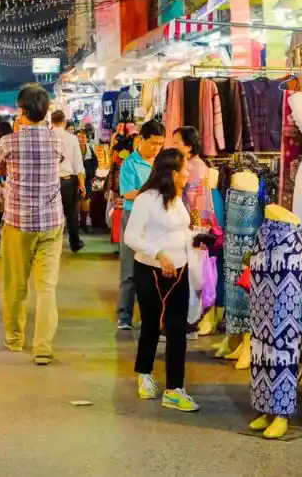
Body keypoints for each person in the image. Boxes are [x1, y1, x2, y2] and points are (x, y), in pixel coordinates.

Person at [123, 148, 202, 412]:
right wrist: (158, 254)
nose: (188, 171)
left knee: (177, 329)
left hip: (179, 271)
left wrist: (196, 241)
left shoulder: (177, 198)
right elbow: (131, 237)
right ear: (172, 172)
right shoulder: (147, 199)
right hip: (151, 272)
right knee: (151, 325)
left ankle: (174, 389)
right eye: (184, 168)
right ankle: (144, 374)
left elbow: (180, 231)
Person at [0, 84, 64, 365]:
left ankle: (15, 339)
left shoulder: (8, 143)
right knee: (46, 287)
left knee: (16, 284)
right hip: (51, 222)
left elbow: (0, 168)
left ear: (22, 111)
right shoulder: (57, 141)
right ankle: (43, 347)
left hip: (18, 221)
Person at [116, 119, 165, 330]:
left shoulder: (162, 161)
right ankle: (124, 316)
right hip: (133, 217)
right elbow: (127, 193)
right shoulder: (130, 163)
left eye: (160, 143)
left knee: (152, 268)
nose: (156, 148)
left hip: (157, 219)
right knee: (129, 269)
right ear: (141, 140)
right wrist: (153, 190)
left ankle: (150, 315)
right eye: (153, 143)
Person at [51, 110, 86, 252]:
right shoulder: (71, 139)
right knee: (71, 213)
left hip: (50, 182)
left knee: (52, 215)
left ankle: (52, 245)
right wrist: (82, 185)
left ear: (51, 122)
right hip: (68, 182)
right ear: (64, 122)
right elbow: (79, 164)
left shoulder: (47, 137)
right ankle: (74, 244)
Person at [170, 126, 215, 228]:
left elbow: (192, 200)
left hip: (191, 222)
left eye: (176, 143)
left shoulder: (191, 167)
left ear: (189, 147)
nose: (173, 147)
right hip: (200, 221)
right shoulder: (198, 164)